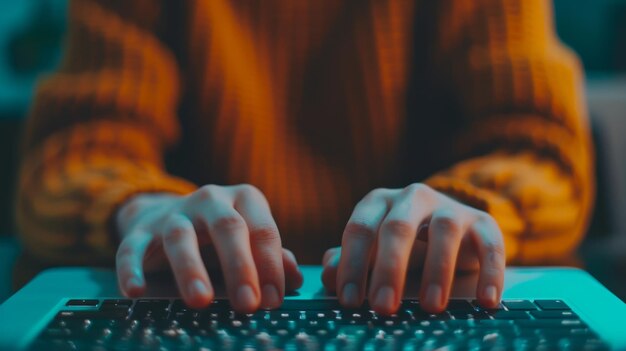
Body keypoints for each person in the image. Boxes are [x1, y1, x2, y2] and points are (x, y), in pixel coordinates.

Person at [16, 0, 593, 315]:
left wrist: (466, 207)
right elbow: (73, 157)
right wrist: (142, 211)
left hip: (426, 298)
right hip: (197, 300)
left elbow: (541, 149)